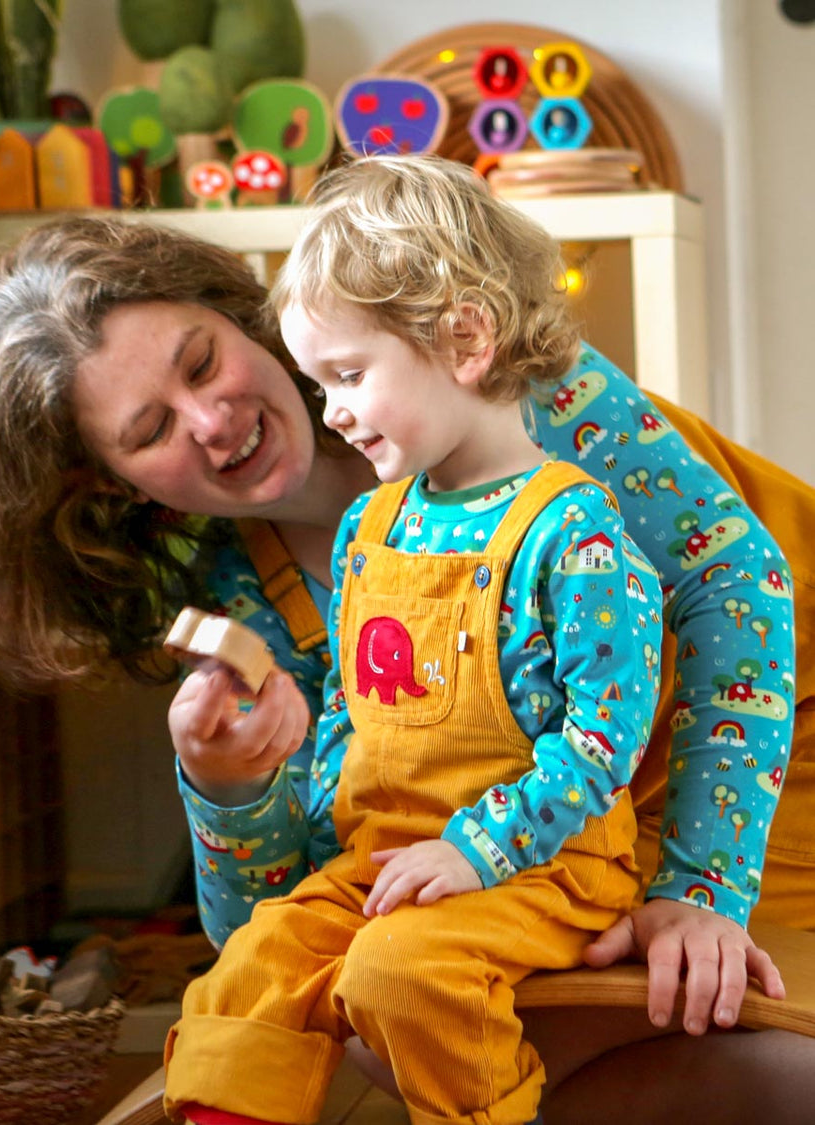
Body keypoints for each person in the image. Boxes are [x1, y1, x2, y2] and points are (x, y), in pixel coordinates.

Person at [0, 181, 813, 1121]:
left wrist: (702, 885)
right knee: (376, 1016)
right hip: (534, 850)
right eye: (149, 431)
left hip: (760, 761)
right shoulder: (251, 603)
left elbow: (734, 589)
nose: (209, 420)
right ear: (114, 489)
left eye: (201, 362)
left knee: (676, 1034)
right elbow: (284, 933)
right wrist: (234, 790)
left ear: (245, 320)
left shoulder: (501, 389)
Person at [161, 152, 665, 1125]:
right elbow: (359, 699)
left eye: (348, 374)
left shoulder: (578, 533)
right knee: (255, 962)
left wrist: (477, 849)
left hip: (543, 866)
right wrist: (319, 771)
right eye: (321, 382)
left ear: (465, 339)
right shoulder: (372, 527)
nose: (334, 411)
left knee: (397, 972)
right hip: (385, 858)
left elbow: (606, 744)